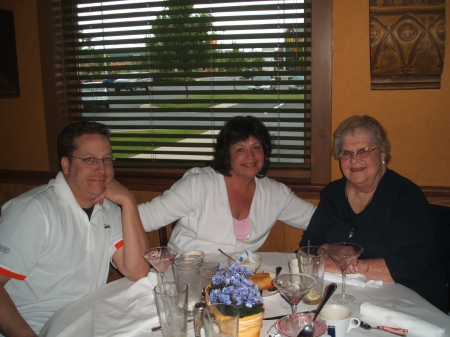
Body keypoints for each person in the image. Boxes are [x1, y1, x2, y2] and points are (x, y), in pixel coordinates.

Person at [0, 122, 149, 336]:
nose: (102, 169)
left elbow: (137, 270)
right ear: (66, 165)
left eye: (107, 159)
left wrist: (129, 201)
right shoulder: (33, 211)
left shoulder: (108, 209)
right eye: (90, 160)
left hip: (86, 323)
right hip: (35, 328)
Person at [300, 115, 447, 312]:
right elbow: (308, 246)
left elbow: (407, 265)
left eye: (364, 151)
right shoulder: (332, 194)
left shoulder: (405, 196)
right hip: (349, 297)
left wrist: (348, 266)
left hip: (407, 302)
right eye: (346, 152)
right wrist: (325, 248)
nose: (354, 159)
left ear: (383, 153)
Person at [138, 115, 316, 254]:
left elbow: (318, 219)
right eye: (240, 149)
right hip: (186, 279)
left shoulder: (275, 193)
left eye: (256, 147)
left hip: (235, 285)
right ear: (226, 154)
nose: (251, 156)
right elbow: (142, 218)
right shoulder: (198, 184)